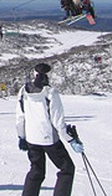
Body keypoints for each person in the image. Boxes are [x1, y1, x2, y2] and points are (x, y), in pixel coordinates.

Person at [15, 63, 84, 196]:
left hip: (31, 138)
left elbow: (20, 117)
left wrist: (21, 136)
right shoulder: (50, 92)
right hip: (49, 139)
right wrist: (71, 140)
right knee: (67, 168)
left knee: (36, 170)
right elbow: (57, 121)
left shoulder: (23, 91)